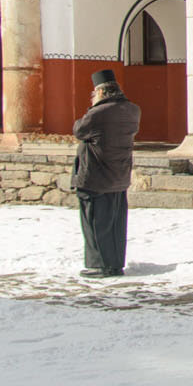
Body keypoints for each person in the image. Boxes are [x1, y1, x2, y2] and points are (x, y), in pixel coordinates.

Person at [71, 68, 141, 278]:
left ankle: (100, 266)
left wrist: (94, 107)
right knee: (115, 225)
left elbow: (79, 130)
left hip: (96, 177)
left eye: (94, 93)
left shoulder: (98, 113)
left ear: (101, 92)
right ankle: (115, 263)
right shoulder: (132, 110)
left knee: (95, 223)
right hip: (119, 175)